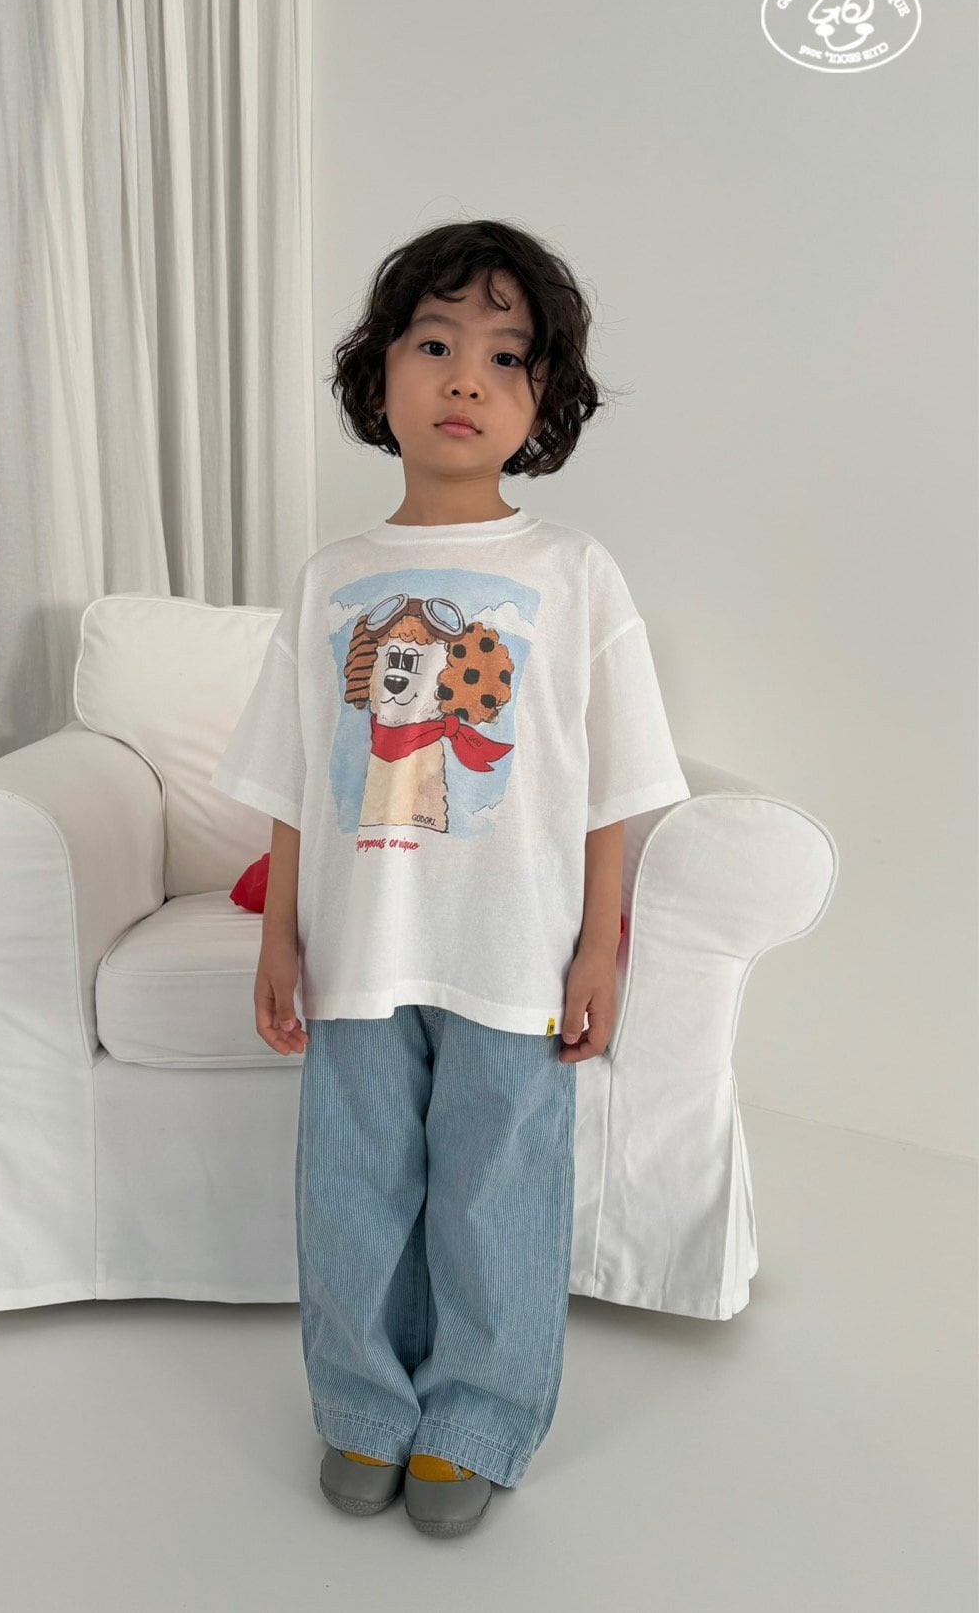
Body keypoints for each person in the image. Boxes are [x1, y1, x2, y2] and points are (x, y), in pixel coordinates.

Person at [209, 219, 690, 1536]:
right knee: (352, 1191)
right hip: (360, 951)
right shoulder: (332, 579)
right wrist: (278, 937)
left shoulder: (573, 574)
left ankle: (475, 1418)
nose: (466, 376)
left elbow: (611, 785)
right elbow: (297, 776)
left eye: (506, 355)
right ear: (380, 376)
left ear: (543, 400)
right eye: (434, 344)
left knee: (496, 1195)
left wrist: (600, 945)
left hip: (512, 954)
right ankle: (364, 1406)